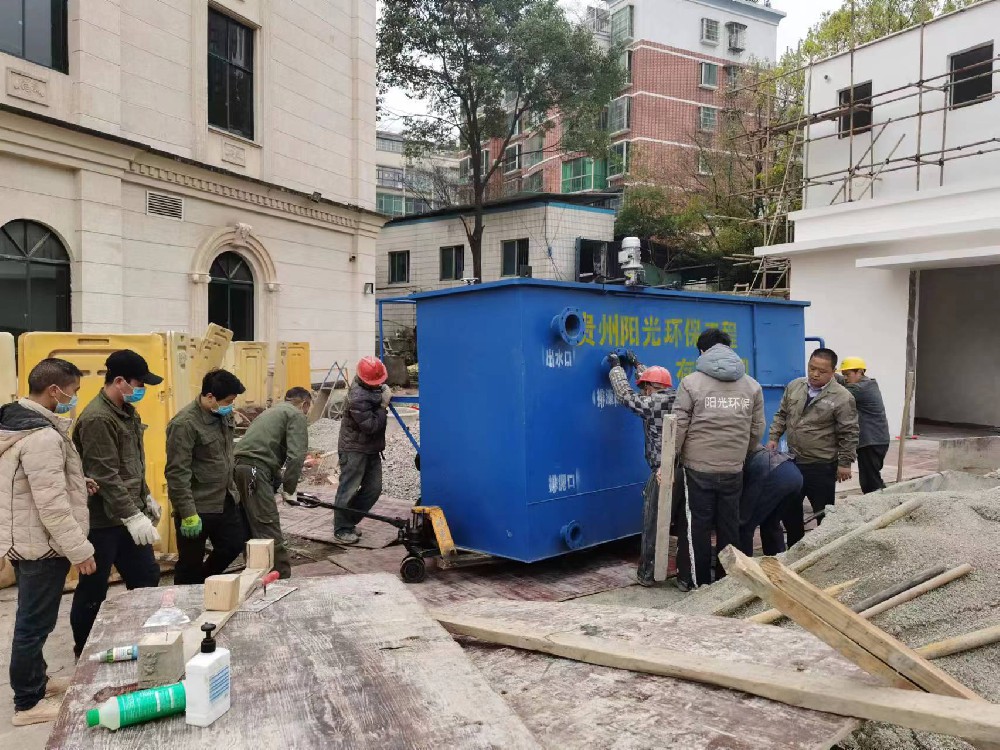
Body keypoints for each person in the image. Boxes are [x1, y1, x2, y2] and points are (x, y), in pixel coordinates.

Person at [1, 359, 96, 726]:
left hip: (27, 540)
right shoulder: (42, 436)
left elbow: (31, 485)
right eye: (73, 392)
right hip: (42, 545)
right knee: (34, 623)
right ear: (54, 390)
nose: (74, 398)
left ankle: (37, 680)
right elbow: (52, 507)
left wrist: (78, 483)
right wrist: (80, 551)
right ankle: (27, 703)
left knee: (32, 617)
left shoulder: (17, 423)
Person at [70, 350, 163, 659]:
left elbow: (132, 463)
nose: (142, 390)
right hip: (103, 522)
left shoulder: (125, 410)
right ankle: (84, 653)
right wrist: (134, 516)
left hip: (128, 514)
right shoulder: (98, 417)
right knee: (93, 591)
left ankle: (145, 642)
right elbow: (105, 474)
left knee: (146, 579)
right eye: (140, 383)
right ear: (120, 381)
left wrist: (146, 496)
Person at [672, 329, 765, 590]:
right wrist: (740, 454)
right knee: (729, 525)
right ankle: (727, 582)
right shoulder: (752, 385)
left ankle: (695, 581)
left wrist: (673, 459)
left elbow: (678, 426)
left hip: (698, 468)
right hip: (734, 468)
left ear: (702, 351)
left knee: (696, 526)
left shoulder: (690, 383)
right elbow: (757, 428)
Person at [768, 348, 859, 547]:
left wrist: (845, 463)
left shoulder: (842, 397)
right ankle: (795, 550)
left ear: (833, 371)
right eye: (812, 368)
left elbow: (849, 432)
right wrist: (774, 436)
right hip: (793, 461)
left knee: (824, 514)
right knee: (791, 511)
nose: (815, 374)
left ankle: (826, 552)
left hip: (821, 465)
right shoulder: (795, 386)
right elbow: (782, 414)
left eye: (822, 371)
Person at [166, 369, 246, 584]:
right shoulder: (184, 424)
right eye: (228, 401)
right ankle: (185, 601)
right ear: (210, 397)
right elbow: (177, 471)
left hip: (225, 499)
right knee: (189, 563)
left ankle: (204, 581)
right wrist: (187, 512)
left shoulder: (222, 414)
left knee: (233, 544)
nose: (231, 405)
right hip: (198, 505)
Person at [606, 351, 679, 586]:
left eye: (645, 387)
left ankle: (647, 574)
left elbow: (626, 396)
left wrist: (616, 368)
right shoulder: (677, 398)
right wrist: (638, 365)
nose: (643, 391)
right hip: (684, 469)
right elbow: (655, 384)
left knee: (652, 523)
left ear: (651, 387)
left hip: (662, 472)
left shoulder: (654, 403)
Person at [234, 387, 311, 579]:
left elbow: (265, 449)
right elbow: (296, 456)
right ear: (305, 404)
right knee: (267, 525)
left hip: (239, 468)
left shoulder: (272, 412)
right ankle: (280, 577)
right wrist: (290, 489)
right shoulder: (296, 414)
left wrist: (276, 483)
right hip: (254, 470)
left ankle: (254, 571)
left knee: (250, 526)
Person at [333, 356, 391, 545]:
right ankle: (341, 528)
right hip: (354, 450)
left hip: (370, 448)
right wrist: (382, 406)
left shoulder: (370, 388)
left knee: (374, 489)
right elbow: (371, 426)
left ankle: (349, 521)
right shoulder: (357, 397)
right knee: (348, 489)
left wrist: (380, 391)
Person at [738, 445, 803, 557]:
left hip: (773, 476)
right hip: (794, 475)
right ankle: (777, 563)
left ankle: (743, 567)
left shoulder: (736, 454)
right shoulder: (750, 444)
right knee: (771, 522)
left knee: (745, 525)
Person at [839, 357, 890, 494]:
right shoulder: (867, 383)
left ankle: (884, 505)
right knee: (871, 478)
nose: (845, 378)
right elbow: (842, 382)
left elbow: (840, 394)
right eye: (843, 375)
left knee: (870, 482)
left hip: (872, 442)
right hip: (875, 440)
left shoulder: (861, 388)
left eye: (848, 374)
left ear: (859, 372)